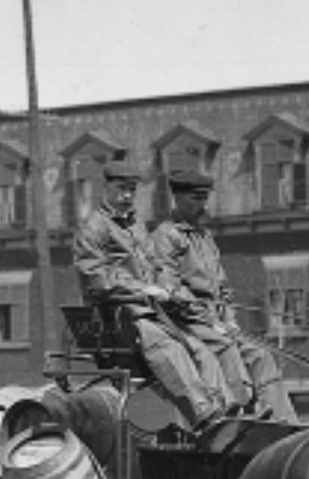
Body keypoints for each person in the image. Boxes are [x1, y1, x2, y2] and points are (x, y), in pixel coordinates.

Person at [72, 159, 232, 431]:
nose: (127, 196)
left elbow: (154, 268)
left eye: (132, 190)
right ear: (106, 188)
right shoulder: (93, 228)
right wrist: (144, 289)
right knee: (168, 348)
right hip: (117, 315)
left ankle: (226, 411)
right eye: (122, 189)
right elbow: (96, 280)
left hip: (151, 311)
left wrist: (172, 291)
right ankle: (204, 414)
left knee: (200, 349)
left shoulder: (136, 227)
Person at [149, 169, 299, 422]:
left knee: (259, 353)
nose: (202, 205)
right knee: (225, 347)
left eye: (205, 198)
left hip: (215, 321)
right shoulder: (165, 236)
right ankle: (243, 410)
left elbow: (222, 288)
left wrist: (228, 319)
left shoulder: (205, 237)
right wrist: (210, 320)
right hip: (183, 322)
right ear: (178, 197)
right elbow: (169, 289)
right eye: (196, 198)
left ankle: (286, 420)